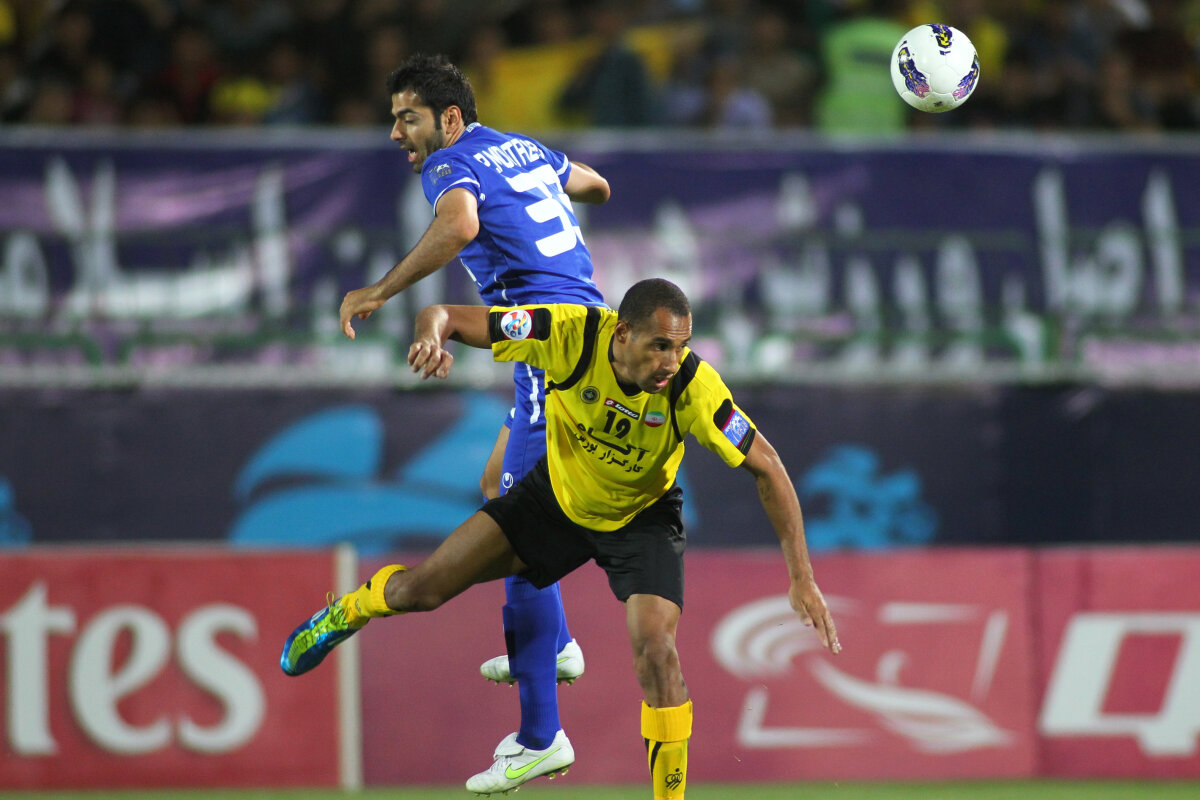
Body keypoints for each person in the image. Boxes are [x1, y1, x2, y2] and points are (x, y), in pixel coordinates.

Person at [282, 278, 842, 800]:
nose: (671, 362)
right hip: (554, 502)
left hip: (643, 520)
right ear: (622, 333)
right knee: (421, 590)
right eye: (659, 346)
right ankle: (347, 611)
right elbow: (445, 314)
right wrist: (431, 334)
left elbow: (768, 466)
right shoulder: (569, 334)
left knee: (657, 651)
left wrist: (802, 578)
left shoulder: (694, 388)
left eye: (681, 346)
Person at [305, 53, 613, 794]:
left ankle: (540, 736)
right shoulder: (522, 147)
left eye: (407, 117)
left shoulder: (450, 163)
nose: (395, 134)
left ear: (448, 119)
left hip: (551, 351)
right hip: (581, 331)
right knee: (496, 482)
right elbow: (597, 186)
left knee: (515, 532)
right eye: (393, 119)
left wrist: (380, 291)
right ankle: (554, 647)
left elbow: (461, 224)